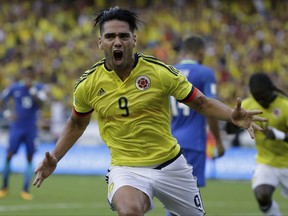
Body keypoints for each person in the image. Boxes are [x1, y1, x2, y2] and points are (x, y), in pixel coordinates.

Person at [33, 7, 266, 216]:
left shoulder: (159, 73)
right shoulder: (88, 84)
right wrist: (54, 157)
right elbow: (76, 124)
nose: (117, 42)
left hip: (171, 165)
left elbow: (201, 103)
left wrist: (231, 115)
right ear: (100, 43)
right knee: (130, 211)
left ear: (134, 40)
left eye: (123, 36)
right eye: (110, 36)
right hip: (126, 168)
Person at [226, 72, 288, 216]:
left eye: (263, 96)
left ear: (271, 89)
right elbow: (229, 130)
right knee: (262, 194)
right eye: (256, 97)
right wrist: (234, 121)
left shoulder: (285, 106)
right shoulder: (248, 106)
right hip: (266, 162)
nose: (261, 101)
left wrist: (279, 135)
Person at [170, 34, 225, 188]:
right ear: (201, 52)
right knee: (189, 197)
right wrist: (218, 142)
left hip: (171, 142)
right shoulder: (204, 73)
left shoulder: (170, 71)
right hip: (194, 142)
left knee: (175, 193)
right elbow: (210, 109)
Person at [0, 66, 47, 200]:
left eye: (30, 76)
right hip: (17, 127)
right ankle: (4, 187)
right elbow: (2, 100)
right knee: (9, 155)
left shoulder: (37, 88)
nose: (28, 78)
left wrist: (32, 91)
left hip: (31, 128)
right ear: (23, 75)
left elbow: (42, 103)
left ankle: (25, 190)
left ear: (33, 76)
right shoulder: (14, 87)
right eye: (26, 75)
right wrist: (7, 113)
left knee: (29, 157)